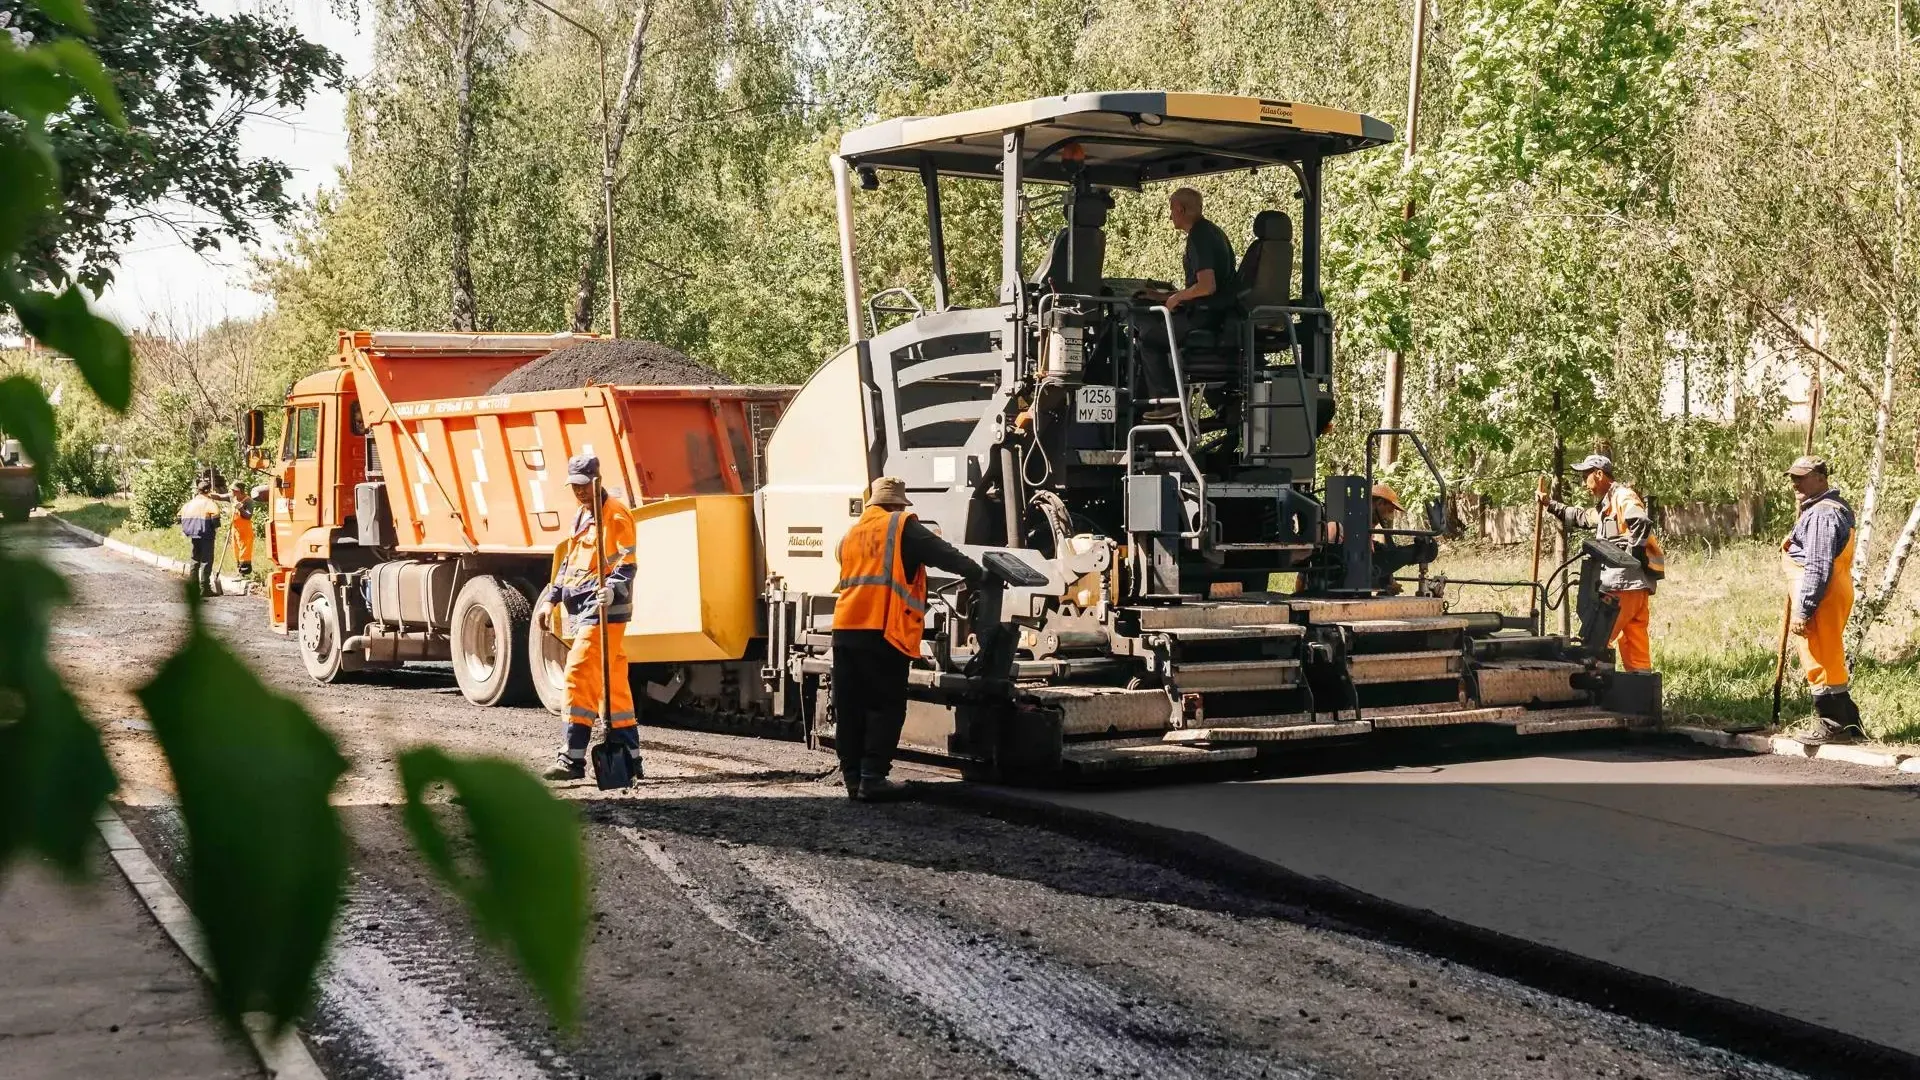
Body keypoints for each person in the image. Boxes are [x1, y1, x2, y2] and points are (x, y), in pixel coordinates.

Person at [832, 476, 986, 802]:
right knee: (884, 706)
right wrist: (979, 573)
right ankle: (873, 779)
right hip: (883, 630)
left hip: (845, 631)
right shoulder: (902, 527)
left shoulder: (850, 534)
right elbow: (944, 554)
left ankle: (853, 779)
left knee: (850, 707)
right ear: (897, 504)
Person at [536, 453, 641, 782]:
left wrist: (613, 589)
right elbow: (568, 564)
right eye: (574, 486)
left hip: (604, 611)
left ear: (597, 481)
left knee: (578, 674)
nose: (579, 492)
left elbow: (627, 564)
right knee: (613, 685)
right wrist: (551, 599)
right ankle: (631, 759)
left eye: (583, 485)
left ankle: (572, 759)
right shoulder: (582, 516)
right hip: (582, 609)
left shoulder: (616, 515)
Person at [1538, 454, 1663, 672]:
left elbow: (1641, 521)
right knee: (1635, 647)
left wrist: (1629, 556)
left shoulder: (1622, 496)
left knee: (1596, 642)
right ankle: (1641, 689)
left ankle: (1598, 688)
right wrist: (1550, 504)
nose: (1583, 483)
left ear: (1599, 474)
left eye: (1585, 476)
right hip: (1637, 588)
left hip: (1620, 587)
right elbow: (1582, 517)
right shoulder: (1607, 505)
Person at [1137, 187, 1240, 422]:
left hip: (1204, 316)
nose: (1170, 215)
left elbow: (1207, 287)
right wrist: (1160, 296)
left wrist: (1176, 298)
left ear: (1180, 209)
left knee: (1149, 338)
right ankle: (1218, 401)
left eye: (1171, 210)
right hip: (1218, 313)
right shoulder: (1213, 232)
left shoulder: (1199, 236)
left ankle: (1169, 402)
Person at [1782, 456, 1862, 744]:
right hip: (1831, 591)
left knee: (1818, 659)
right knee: (1830, 655)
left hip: (1821, 596)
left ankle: (1831, 724)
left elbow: (1817, 566)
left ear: (1821, 478)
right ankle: (1849, 722)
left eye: (1801, 477)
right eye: (1793, 478)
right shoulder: (1831, 507)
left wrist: (1803, 611)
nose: (1795, 483)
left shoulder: (1821, 514)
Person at [1370, 483, 1436, 594]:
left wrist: (1388, 581)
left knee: (1383, 549)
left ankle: (1386, 584)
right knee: (1427, 548)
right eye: (1390, 511)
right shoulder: (1357, 525)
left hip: (1362, 566)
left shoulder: (1365, 527)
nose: (1390, 516)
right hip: (1356, 570)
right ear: (1380, 503)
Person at [177, 479, 222, 598]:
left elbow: (179, 516)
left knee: (195, 560)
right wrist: (215, 529)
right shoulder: (209, 503)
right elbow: (215, 519)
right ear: (208, 491)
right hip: (206, 534)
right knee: (206, 560)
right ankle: (205, 588)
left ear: (198, 490)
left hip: (193, 534)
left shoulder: (189, 504)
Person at [227, 481, 255, 577]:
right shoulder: (233, 498)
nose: (232, 492)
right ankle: (239, 571)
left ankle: (245, 573)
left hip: (245, 531)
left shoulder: (248, 501)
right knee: (236, 550)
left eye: (233, 490)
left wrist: (240, 508)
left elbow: (248, 516)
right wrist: (207, 494)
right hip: (236, 530)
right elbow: (220, 496)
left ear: (239, 491)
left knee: (245, 552)